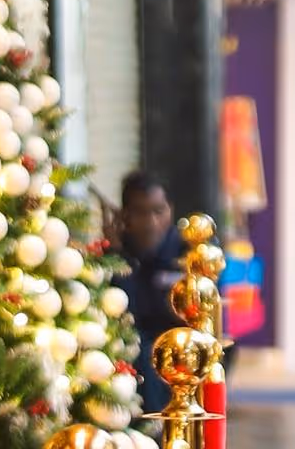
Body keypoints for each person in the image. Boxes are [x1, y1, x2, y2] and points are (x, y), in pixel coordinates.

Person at [110, 170, 183, 415]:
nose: (151, 223)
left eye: (158, 211)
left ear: (171, 210)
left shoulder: (186, 253)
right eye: (141, 213)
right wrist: (117, 253)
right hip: (132, 349)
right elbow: (123, 311)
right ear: (124, 215)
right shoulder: (118, 253)